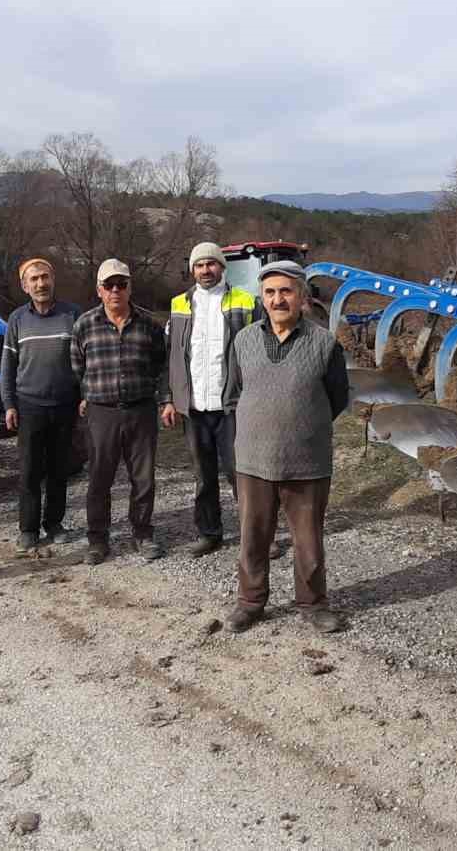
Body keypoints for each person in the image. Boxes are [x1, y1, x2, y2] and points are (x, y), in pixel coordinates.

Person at [224, 259, 350, 635]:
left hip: (307, 461)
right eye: (270, 292)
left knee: (308, 541)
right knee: (252, 536)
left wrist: (302, 426)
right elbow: (233, 394)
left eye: (286, 291)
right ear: (262, 298)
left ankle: (313, 604)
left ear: (302, 297)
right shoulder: (244, 341)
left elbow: (337, 398)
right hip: (253, 459)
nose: (278, 299)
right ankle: (250, 602)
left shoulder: (324, 343)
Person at [161, 241, 256, 557]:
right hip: (194, 408)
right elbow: (170, 356)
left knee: (240, 474)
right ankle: (209, 533)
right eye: (199, 265)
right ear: (192, 270)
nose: (206, 270)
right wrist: (169, 399)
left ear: (222, 267)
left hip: (232, 406)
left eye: (211, 264)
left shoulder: (245, 302)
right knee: (203, 477)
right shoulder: (178, 305)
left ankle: (256, 537)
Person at [71, 258, 167, 565]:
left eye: (121, 284)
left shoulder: (150, 324)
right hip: (102, 413)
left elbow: (161, 366)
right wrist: (88, 395)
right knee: (100, 478)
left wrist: (164, 399)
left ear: (129, 287)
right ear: (99, 290)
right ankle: (97, 540)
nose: (115, 290)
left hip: (141, 411)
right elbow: (77, 367)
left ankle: (142, 533)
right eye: (108, 285)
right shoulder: (84, 325)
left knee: (143, 478)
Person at [0, 258, 82, 554]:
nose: (40, 283)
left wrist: (84, 394)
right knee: (30, 470)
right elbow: (7, 365)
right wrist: (8, 403)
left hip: (65, 404)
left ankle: (55, 523)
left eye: (44, 277)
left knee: (60, 468)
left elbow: (83, 359)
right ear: (24, 286)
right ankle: (28, 528)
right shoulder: (17, 319)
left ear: (53, 279)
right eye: (33, 279)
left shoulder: (72, 314)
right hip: (29, 405)